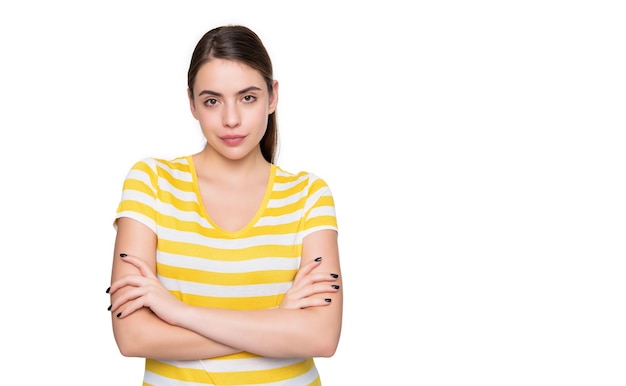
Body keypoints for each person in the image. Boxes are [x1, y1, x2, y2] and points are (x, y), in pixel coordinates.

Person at [107, 25, 343, 385]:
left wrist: (176, 312)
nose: (231, 119)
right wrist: (275, 321)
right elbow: (133, 336)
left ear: (272, 96)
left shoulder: (309, 194)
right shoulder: (151, 183)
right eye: (212, 100)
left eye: (247, 97)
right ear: (192, 103)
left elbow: (321, 337)